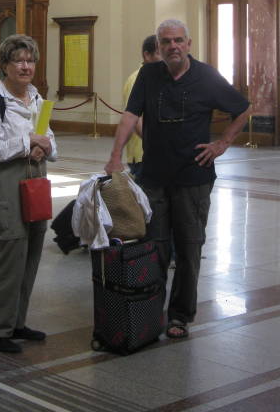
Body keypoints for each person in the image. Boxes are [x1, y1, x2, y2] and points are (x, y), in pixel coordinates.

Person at [104, 19, 251, 340]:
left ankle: (180, 315)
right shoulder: (149, 74)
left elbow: (242, 108)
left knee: (188, 248)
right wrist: (115, 155)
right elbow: (131, 114)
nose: (173, 46)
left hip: (193, 178)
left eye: (179, 41)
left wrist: (222, 143)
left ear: (189, 43)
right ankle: (150, 313)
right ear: (158, 46)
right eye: (166, 41)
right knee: (153, 247)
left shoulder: (206, 76)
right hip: (154, 177)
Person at [0, 34, 57, 354]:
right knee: (9, 253)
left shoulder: (37, 99)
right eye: (18, 61)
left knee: (31, 252)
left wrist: (45, 147)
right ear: (5, 66)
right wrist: (29, 144)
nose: (25, 66)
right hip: (4, 183)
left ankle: (16, 321)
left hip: (35, 180)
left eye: (30, 60)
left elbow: (48, 137)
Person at [122, 34, 160, 180]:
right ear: (147, 55)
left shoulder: (156, 78)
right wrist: (155, 146)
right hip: (143, 154)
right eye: (158, 53)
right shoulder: (137, 79)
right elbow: (135, 118)